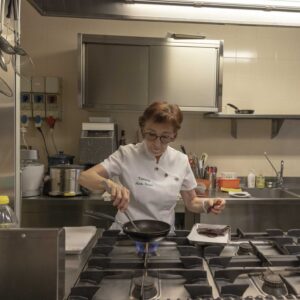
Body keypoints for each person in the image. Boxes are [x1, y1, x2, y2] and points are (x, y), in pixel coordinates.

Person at [79, 101, 225, 230]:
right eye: (151, 134)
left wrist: (208, 204)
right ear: (143, 129)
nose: (156, 143)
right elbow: (85, 177)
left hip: (164, 237)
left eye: (165, 137)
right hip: (125, 233)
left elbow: (191, 201)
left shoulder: (180, 160)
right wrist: (109, 184)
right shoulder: (126, 154)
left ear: (173, 135)